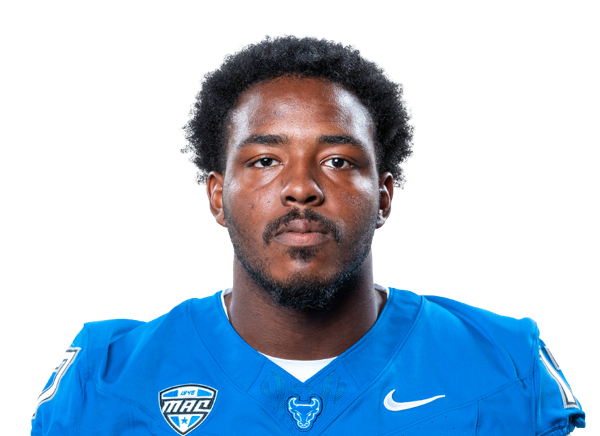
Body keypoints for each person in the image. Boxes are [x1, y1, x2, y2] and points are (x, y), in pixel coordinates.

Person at [31, 34, 585, 435]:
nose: (301, 188)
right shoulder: (106, 376)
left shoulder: (504, 362)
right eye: (266, 160)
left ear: (385, 195)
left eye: (338, 161)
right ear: (217, 195)